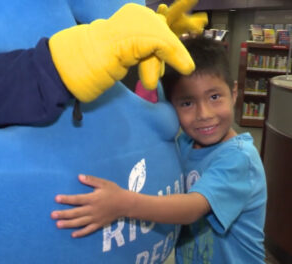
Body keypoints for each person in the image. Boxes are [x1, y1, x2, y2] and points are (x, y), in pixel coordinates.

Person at [51, 36, 267, 264]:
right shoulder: (185, 143)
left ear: (234, 93)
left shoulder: (239, 159)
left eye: (214, 97)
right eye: (187, 103)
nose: (204, 114)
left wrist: (123, 203)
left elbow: (192, 208)